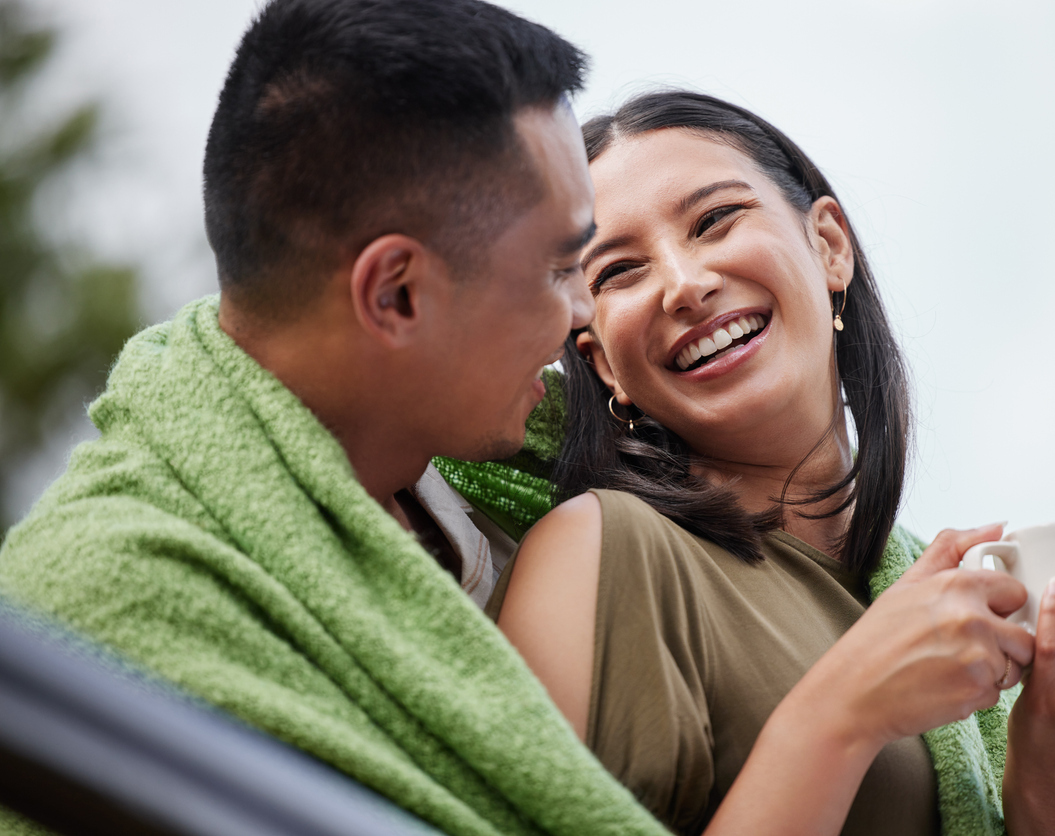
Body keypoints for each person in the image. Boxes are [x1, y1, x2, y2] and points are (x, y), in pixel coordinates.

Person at [0, 2, 678, 834]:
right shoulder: (92, 617)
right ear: (395, 293)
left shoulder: (534, 489)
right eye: (556, 267)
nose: (581, 313)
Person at [491, 91, 1055, 836]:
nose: (684, 283)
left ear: (829, 246)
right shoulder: (599, 549)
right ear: (602, 363)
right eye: (617, 272)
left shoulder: (943, 615)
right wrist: (844, 713)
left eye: (713, 221)